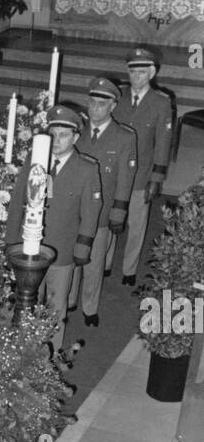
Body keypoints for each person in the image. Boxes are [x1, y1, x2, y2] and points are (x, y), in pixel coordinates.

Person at [5, 104, 102, 352]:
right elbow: (18, 201)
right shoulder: (35, 161)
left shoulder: (86, 169)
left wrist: (83, 246)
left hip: (62, 249)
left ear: (76, 137)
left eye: (64, 135)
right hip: (30, 247)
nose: (57, 140)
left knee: (56, 304)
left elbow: (90, 213)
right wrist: (11, 240)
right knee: (27, 299)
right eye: (53, 134)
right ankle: (25, 350)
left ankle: (50, 352)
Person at [67, 77, 137, 327]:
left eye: (101, 104)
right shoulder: (76, 131)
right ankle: (70, 300)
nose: (94, 108)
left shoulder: (124, 137)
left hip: (101, 212)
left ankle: (90, 308)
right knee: (70, 259)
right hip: (74, 209)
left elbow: (125, 179)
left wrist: (119, 211)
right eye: (91, 102)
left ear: (113, 106)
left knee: (94, 264)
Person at [113, 46, 173, 286]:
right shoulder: (117, 97)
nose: (135, 77)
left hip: (141, 173)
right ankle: (105, 264)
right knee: (108, 221)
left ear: (151, 73)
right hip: (116, 173)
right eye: (131, 72)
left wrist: (156, 179)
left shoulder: (161, 103)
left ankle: (128, 269)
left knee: (136, 224)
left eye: (140, 72)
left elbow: (163, 143)